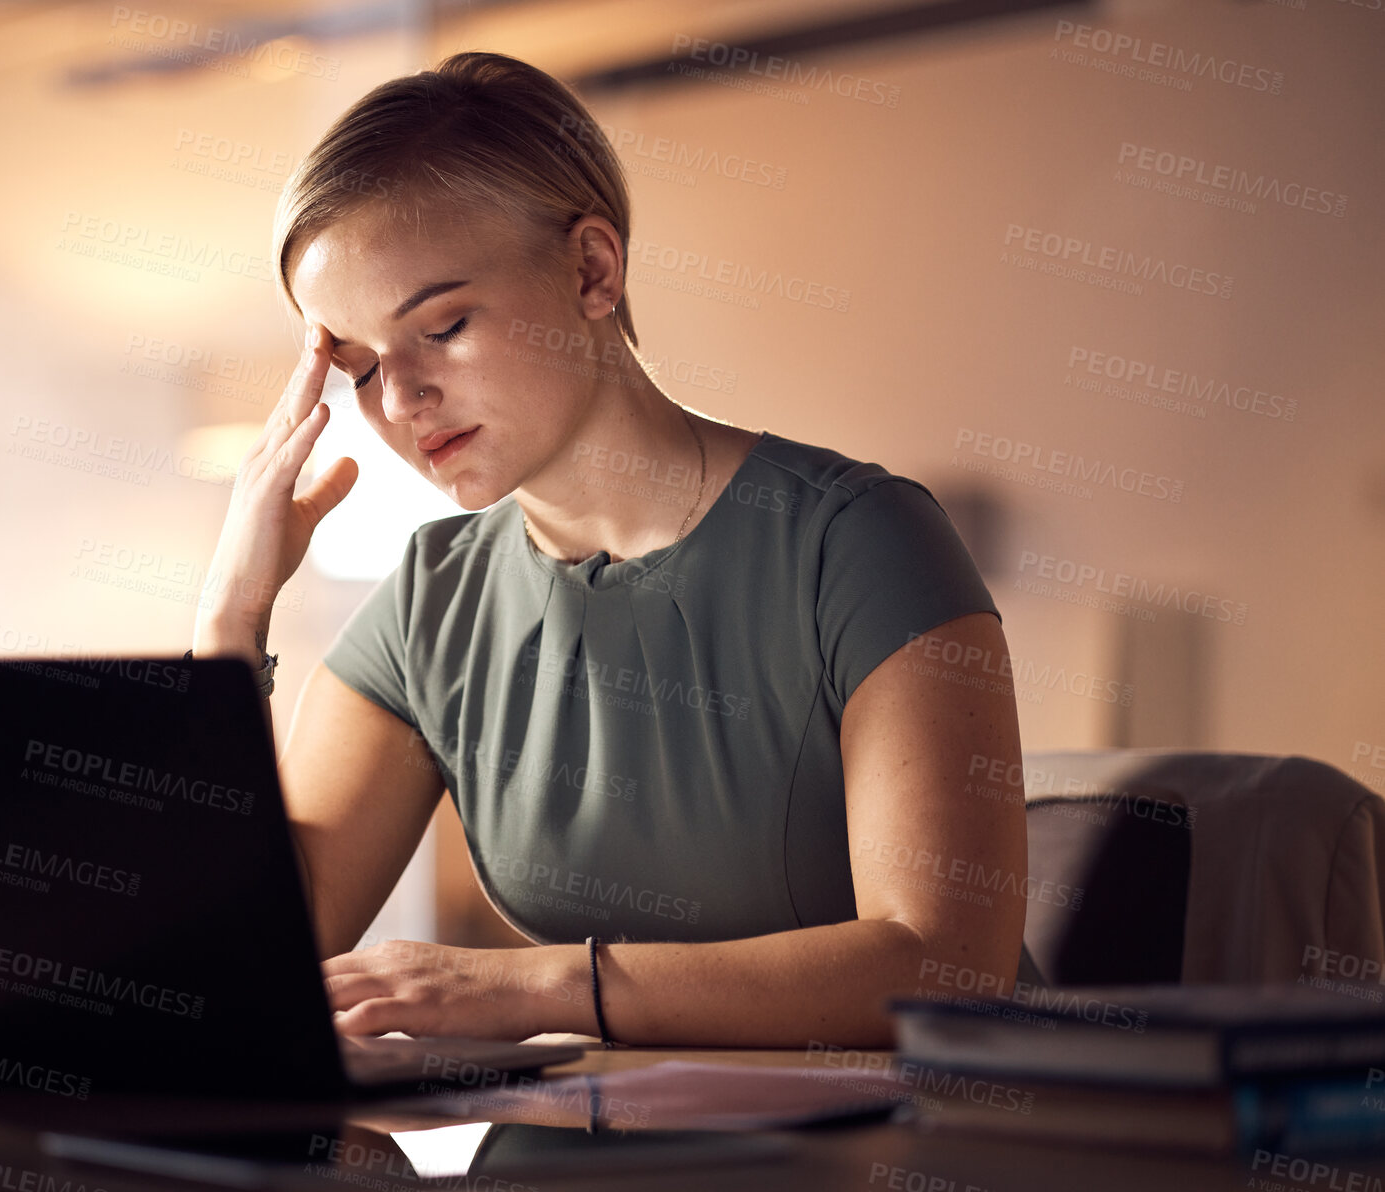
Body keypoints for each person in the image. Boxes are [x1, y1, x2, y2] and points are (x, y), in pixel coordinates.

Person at [192, 51, 1036, 1049]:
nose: (399, 400)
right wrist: (231, 620)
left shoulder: (859, 540)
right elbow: (248, 958)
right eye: (361, 365)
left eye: (443, 325)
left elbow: (945, 961)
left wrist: (528, 991)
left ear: (592, 269)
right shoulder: (430, 602)